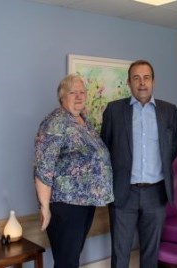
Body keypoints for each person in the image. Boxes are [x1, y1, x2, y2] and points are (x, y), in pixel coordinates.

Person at [101, 59, 177, 268]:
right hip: (123, 193)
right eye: (136, 78)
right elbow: (105, 149)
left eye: (146, 78)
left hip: (156, 193)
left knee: (150, 254)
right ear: (129, 83)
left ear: (154, 81)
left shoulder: (168, 111)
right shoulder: (114, 111)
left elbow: (172, 149)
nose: (142, 83)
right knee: (120, 254)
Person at [33, 74, 114, 268]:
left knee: (70, 257)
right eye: (73, 92)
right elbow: (43, 165)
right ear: (62, 96)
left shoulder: (82, 120)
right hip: (66, 204)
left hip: (84, 202)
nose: (79, 96)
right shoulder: (56, 122)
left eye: (82, 92)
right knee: (67, 260)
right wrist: (44, 206)